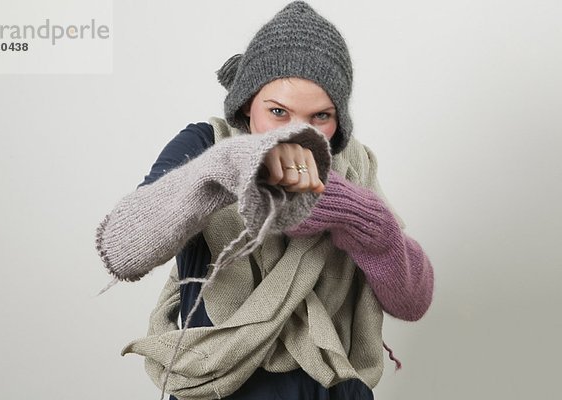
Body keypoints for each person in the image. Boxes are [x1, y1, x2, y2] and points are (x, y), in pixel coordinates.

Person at [95, 2, 434, 399]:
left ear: (339, 119)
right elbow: (121, 250)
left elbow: (412, 301)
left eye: (320, 117)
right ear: (246, 104)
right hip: (222, 386)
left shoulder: (354, 164)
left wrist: (361, 219)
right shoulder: (207, 143)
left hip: (332, 387)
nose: (298, 133)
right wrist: (228, 169)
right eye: (278, 111)